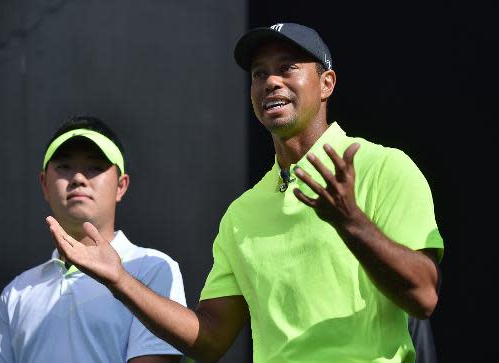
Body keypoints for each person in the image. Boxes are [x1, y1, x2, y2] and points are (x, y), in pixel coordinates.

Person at [45, 23, 444, 363]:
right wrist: (119, 280)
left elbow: (424, 295)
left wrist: (351, 223)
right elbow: (211, 338)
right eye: (258, 73)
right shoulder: (242, 214)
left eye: (287, 68)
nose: (271, 81)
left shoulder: (385, 168)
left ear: (327, 83)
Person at [0, 116, 186, 363]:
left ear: (121, 186)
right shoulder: (16, 291)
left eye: (94, 167)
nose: (78, 178)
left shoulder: (153, 268)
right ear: (44, 185)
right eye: (64, 167)